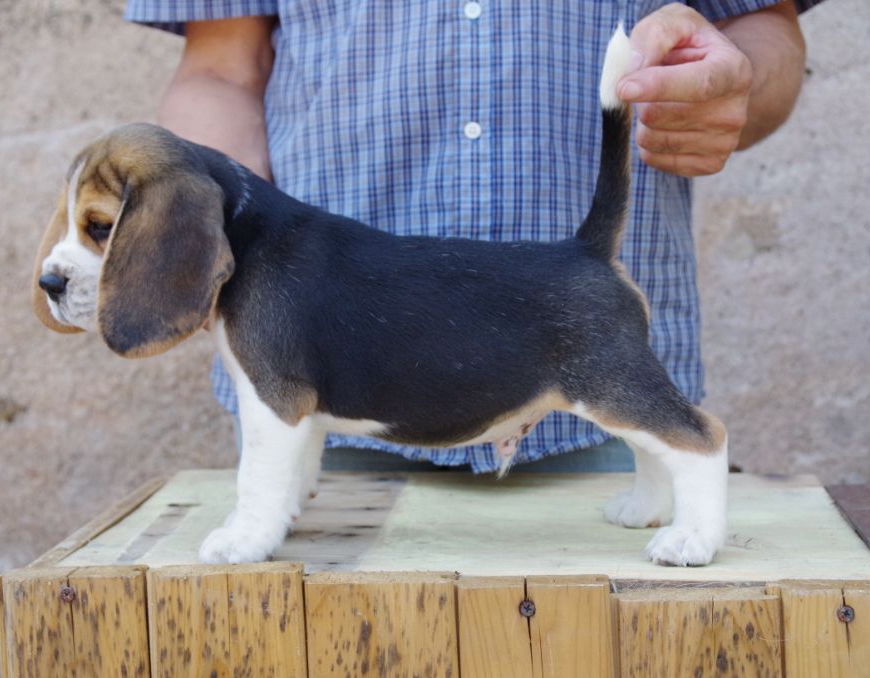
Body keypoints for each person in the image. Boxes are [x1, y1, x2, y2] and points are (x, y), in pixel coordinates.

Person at [125, 1, 817, 473]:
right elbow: (219, 69)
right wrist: (217, 267)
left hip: (595, 412)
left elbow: (764, 24)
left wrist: (735, 83)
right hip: (325, 402)